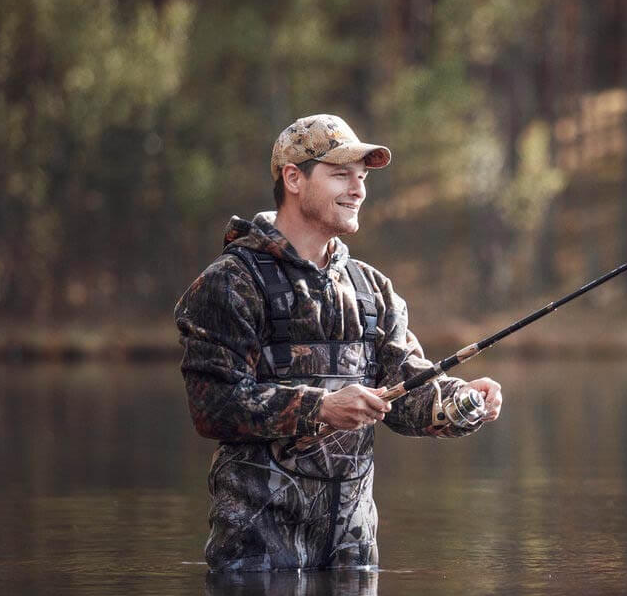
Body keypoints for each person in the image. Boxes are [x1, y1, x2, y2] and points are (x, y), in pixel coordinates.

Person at [175, 114, 502, 571]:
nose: (358, 189)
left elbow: (408, 394)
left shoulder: (373, 289)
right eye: (340, 174)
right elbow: (213, 406)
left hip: (353, 562)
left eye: (363, 177)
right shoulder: (230, 284)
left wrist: (463, 402)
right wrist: (321, 408)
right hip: (255, 563)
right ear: (293, 178)